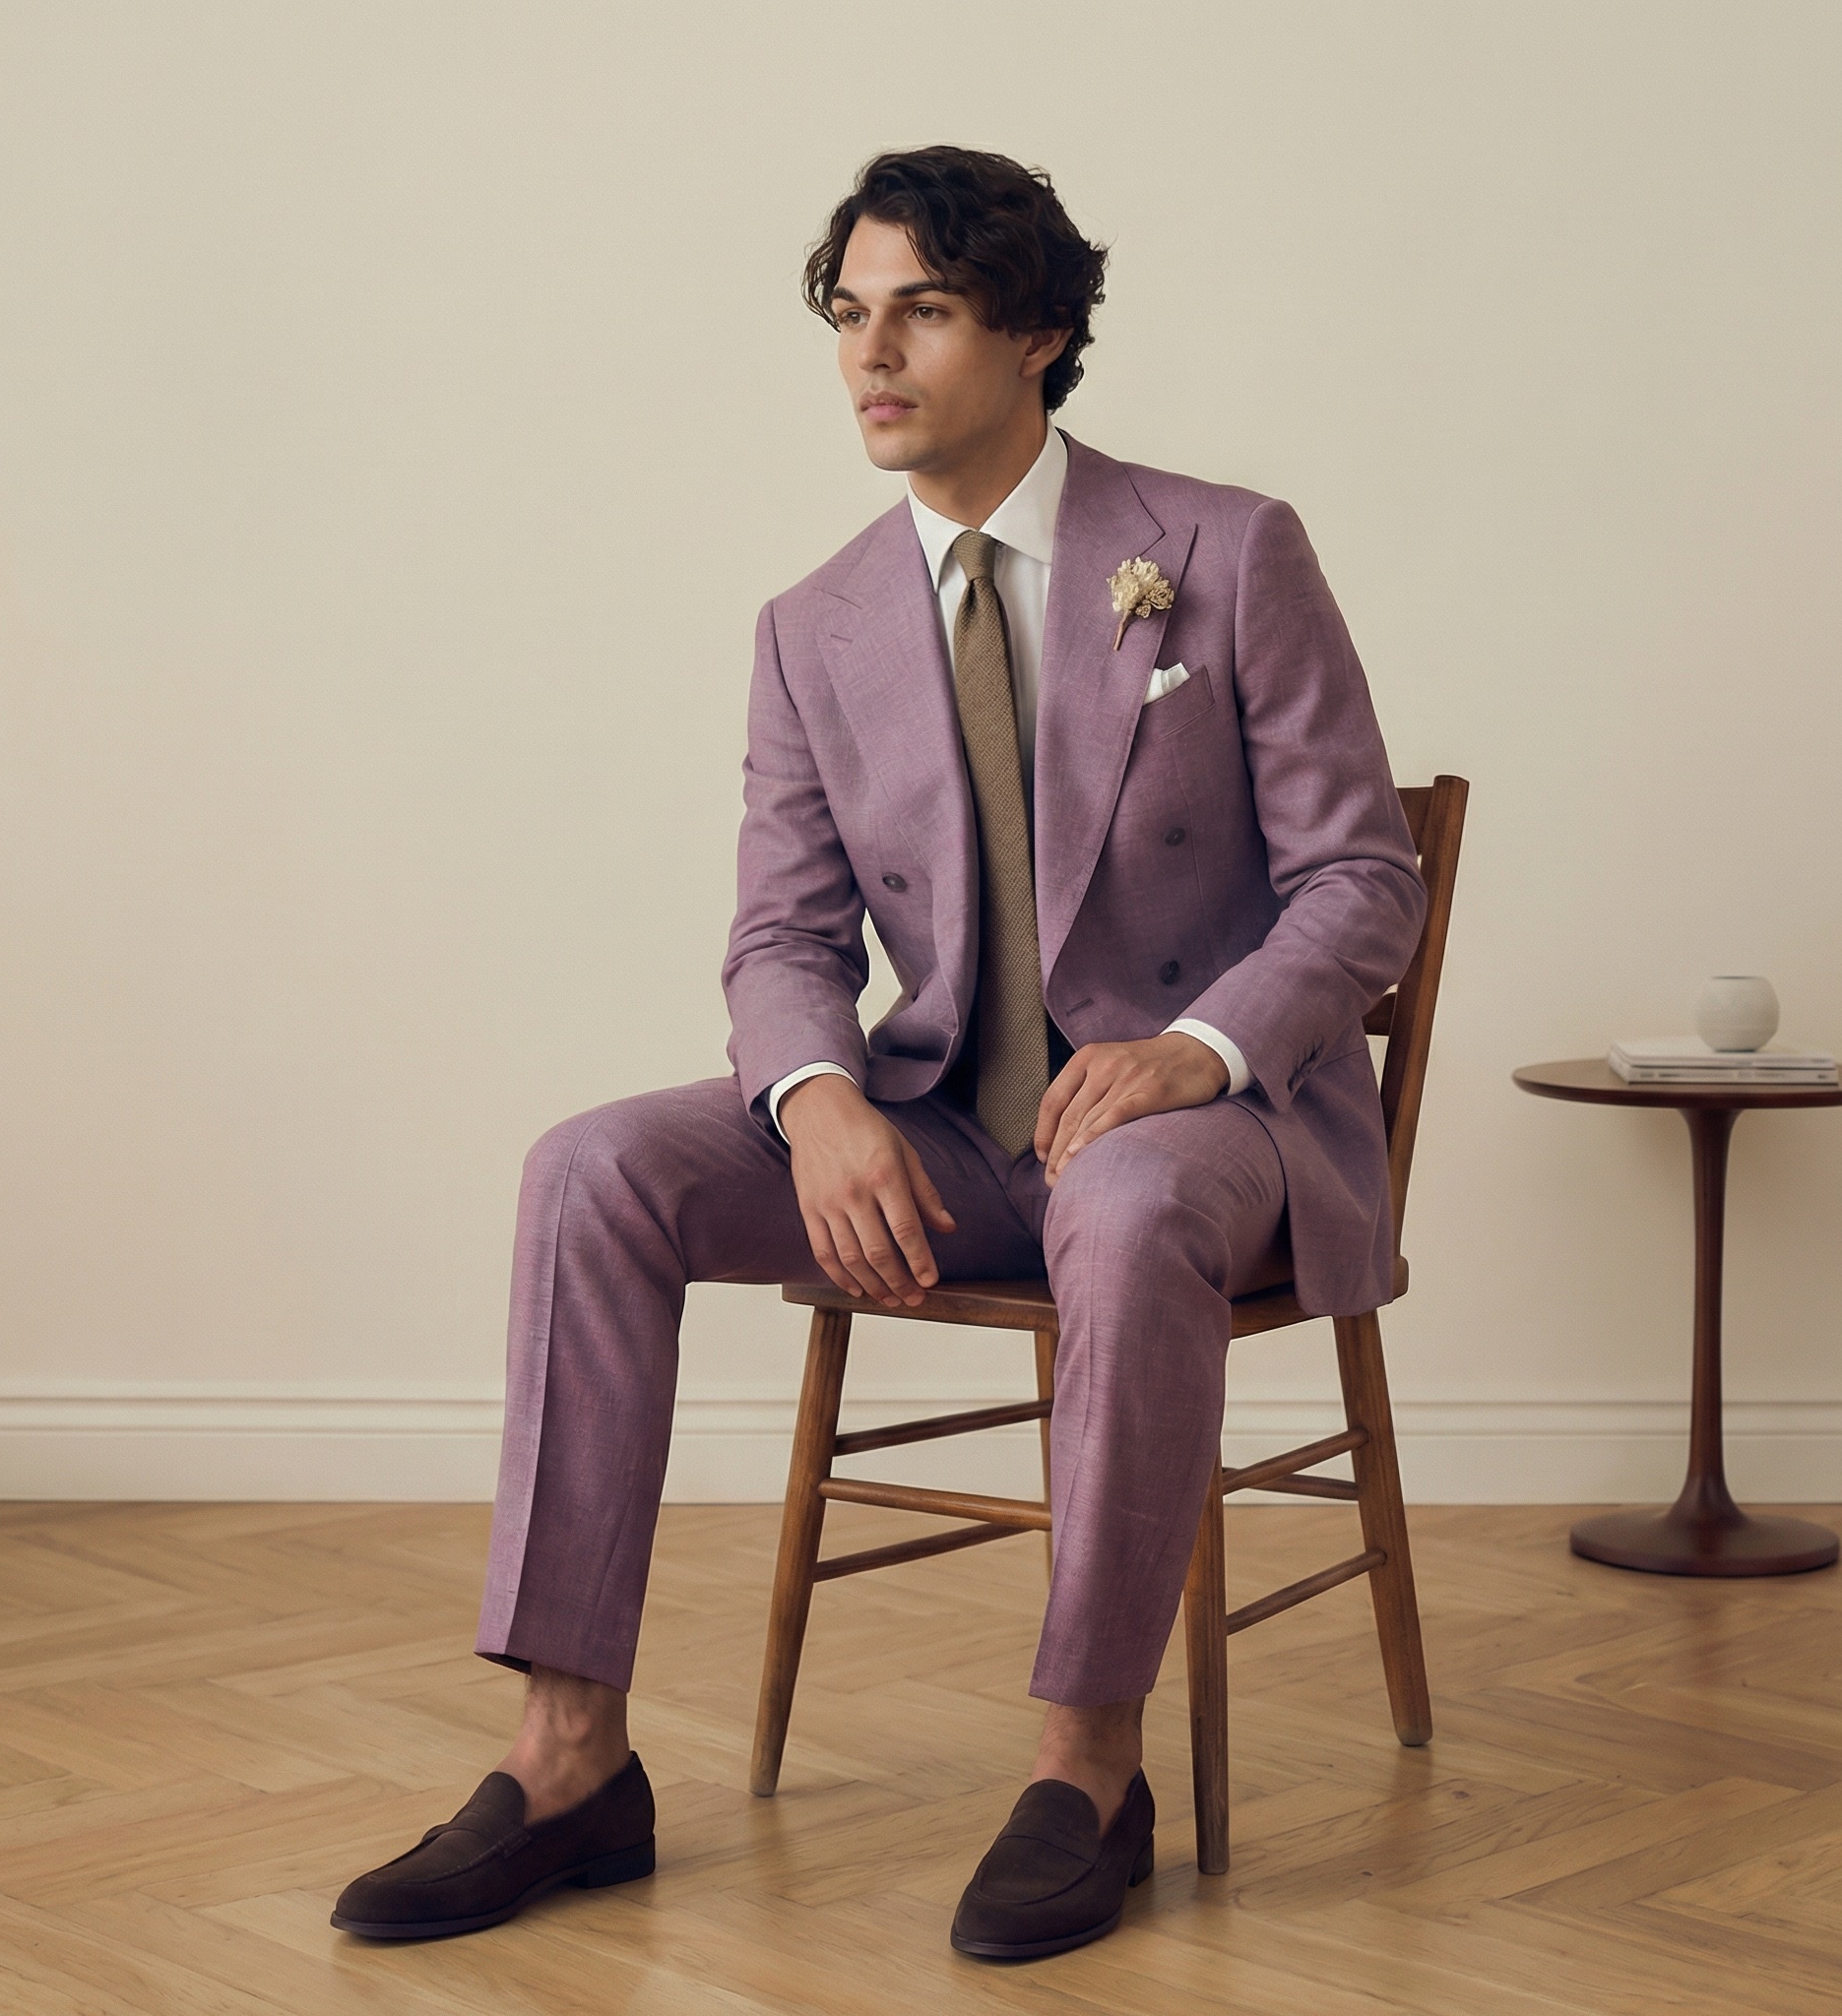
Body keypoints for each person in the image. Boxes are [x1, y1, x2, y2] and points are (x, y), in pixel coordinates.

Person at [333, 144, 1424, 1961]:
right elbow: (781, 937)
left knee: (1128, 1197)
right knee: (590, 1170)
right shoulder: (812, 624)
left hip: (1208, 1141)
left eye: (922, 309)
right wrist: (819, 1097)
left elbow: (1363, 881)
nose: (871, 352)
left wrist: (1200, 1051)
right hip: (951, 1135)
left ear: (1040, 331)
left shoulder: (1225, 551)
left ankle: (1088, 1772)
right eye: (849, 312)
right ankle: (570, 1758)